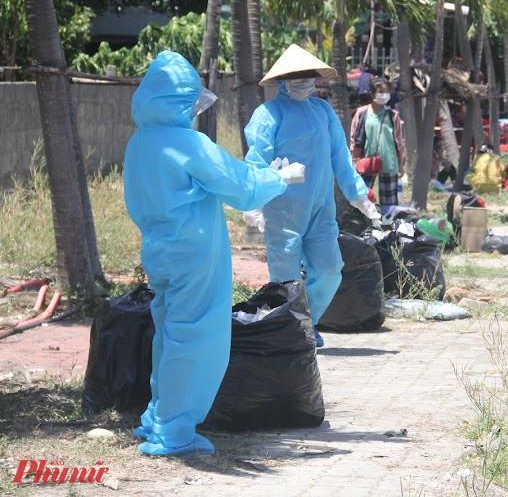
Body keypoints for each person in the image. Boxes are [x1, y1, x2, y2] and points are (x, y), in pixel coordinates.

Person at [124, 51, 301, 456]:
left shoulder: (140, 143)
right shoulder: (189, 142)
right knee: (196, 339)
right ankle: (174, 431)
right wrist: (279, 177)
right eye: (189, 103)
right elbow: (238, 187)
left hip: (159, 251)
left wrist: (264, 176)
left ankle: (158, 416)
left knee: (169, 332)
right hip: (196, 255)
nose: (192, 111)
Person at [244, 45, 381, 348]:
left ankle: (307, 320)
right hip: (282, 211)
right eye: (297, 76)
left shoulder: (323, 111)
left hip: (320, 211)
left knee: (330, 269)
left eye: (308, 76)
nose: (304, 81)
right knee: (286, 280)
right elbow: (255, 162)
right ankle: (291, 330)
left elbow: (341, 158)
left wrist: (359, 196)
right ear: (283, 79)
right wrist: (254, 205)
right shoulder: (268, 114)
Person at [350, 80, 405, 216]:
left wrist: (401, 164)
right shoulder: (361, 113)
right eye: (381, 92)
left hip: (389, 163)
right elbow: (354, 138)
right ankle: (363, 224)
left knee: (389, 203)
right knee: (362, 196)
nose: (384, 95)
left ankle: (388, 227)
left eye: (386, 92)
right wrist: (354, 161)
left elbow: (399, 142)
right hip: (366, 162)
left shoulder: (393, 115)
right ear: (372, 93)